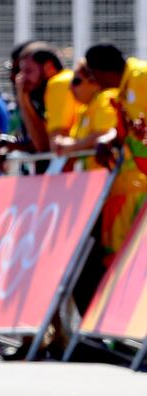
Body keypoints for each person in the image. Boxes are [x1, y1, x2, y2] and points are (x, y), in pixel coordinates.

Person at [86, 44, 147, 254]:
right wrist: (107, 140)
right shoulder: (123, 89)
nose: (93, 81)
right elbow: (124, 131)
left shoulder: (142, 76)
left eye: (92, 74)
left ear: (101, 71)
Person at [52, 59, 117, 170]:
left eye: (76, 81)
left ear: (95, 82)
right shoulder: (84, 109)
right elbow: (80, 142)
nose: (70, 88)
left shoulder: (105, 99)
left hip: (111, 181)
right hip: (95, 180)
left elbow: (105, 133)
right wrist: (64, 143)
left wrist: (72, 146)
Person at [15, 42, 79, 153]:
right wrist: (23, 99)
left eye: (28, 71)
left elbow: (46, 146)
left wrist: (22, 98)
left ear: (48, 67)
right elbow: (42, 144)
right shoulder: (53, 87)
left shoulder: (59, 83)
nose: (21, 78)